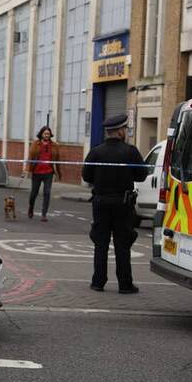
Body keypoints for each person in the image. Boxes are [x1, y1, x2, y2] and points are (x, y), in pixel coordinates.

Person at [82, 114, 148, 294]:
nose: (125, 132)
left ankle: (98, 282)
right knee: (122, 244)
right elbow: (141, 175)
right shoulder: (130, 151)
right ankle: (125, 284)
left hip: (101, 202)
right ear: (120, 131)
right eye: (125, 130)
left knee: (100, 243)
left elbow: (86, 176)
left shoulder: (96, 151)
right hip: (122, 203)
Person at [25, 126, 61, 222]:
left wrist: (59, 173)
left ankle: (44, 214)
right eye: (45, 133)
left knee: (47, 192)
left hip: (48, 172)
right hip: (37, 171)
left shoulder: (54, 146)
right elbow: (30, 157)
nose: (46, 135)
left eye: (48, 134)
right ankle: (31, 208)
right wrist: (26, 170)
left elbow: (58, 160)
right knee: (34, 193)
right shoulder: (35, 144)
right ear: (41, 134)